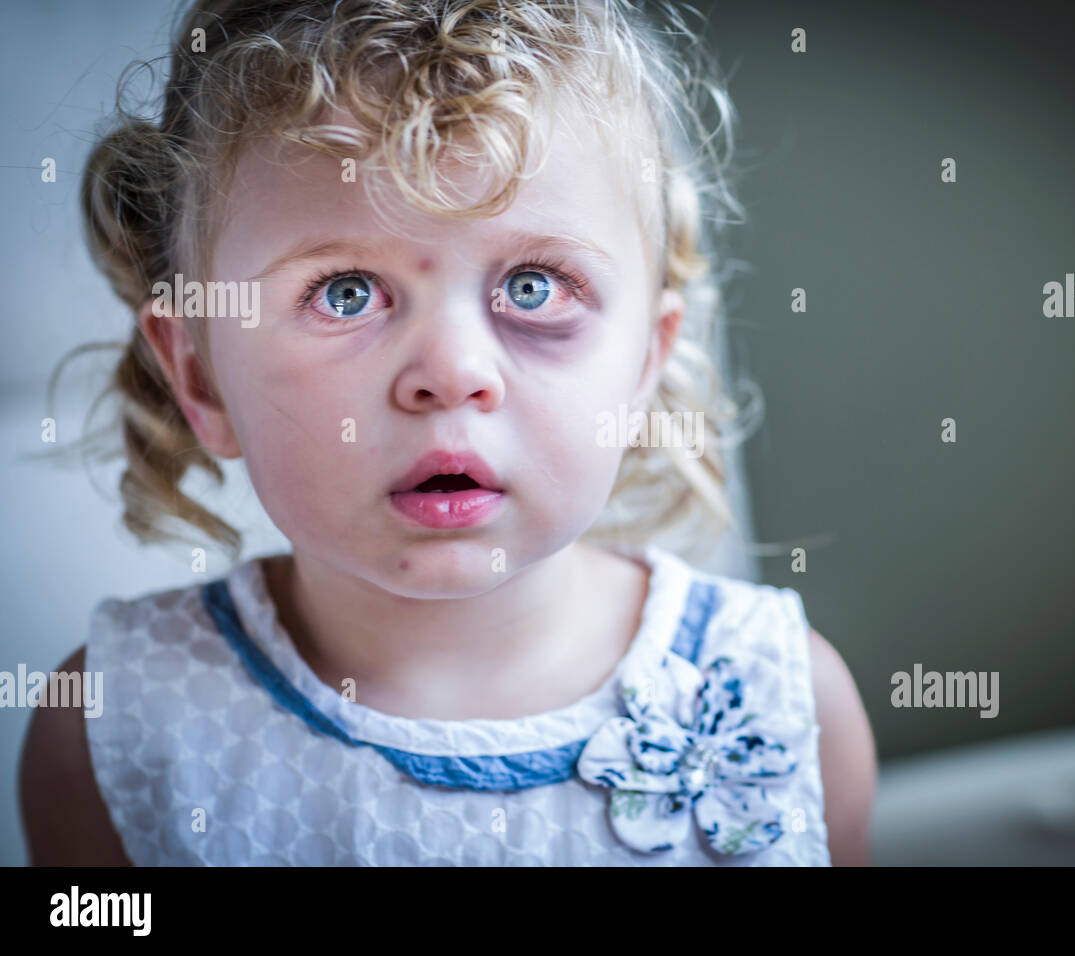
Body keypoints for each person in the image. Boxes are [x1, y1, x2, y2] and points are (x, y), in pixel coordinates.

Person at [20, 0, 876, 866]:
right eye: (346, 291)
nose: (453, 371)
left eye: (536, 287)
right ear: (200, 377)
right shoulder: (115, 730)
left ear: (645, 365)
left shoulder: (790, 705)